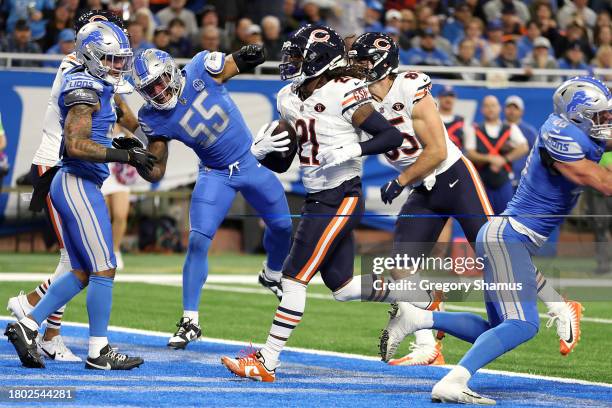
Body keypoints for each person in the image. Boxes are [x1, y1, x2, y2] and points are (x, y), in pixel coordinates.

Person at [385, 76, 611, 405]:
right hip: (510, 238)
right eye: (601, 116)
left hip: (504, 236)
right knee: (522, 325)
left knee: (495, 327)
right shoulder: (561, 136)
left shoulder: (575, 129)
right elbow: (603, 182)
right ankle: (453, 381)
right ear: (577, 115)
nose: (606, 122)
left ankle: (419, 319)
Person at [220, 25, 406, 382]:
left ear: (320, 58)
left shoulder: (345, 90)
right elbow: (286, 160)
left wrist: (353, 148)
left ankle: (267, 360)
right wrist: (261, 153)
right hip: (317, 195)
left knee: (293, 277)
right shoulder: (289, 96)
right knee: (343, 288)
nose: (290, 62)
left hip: (341, 195)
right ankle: (419, 296)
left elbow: (390, 135)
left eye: (297, 55)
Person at [4, 20, 150, 370]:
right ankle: (98, 351)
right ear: (92, 55)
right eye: (111, 59)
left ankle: (27, 323)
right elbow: (76, 144)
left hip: (78, 182)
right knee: (104, 268)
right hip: (76, 182)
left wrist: (122, 142)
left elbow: (100, 131)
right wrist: (125, 154)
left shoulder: (97, 82)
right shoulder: (82, 83)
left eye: (120, 59)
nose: (118, 66)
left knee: (82, 270)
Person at [132, 44, 293, 350]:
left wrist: (248, 55)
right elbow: (156, 171)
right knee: (197, 240)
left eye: (158, 81)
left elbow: (235, 62)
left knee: (284, 227)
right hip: (215, 174)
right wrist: (136, 159)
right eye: (148, 88)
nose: (157, 91)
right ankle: (190, 319)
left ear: (170, 71)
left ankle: (272, 274)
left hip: (252, 161)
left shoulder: (199, 68)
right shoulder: (153, 117)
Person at [464, 95, 529, 214]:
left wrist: (504, 159)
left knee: (504, 220)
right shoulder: (474, 129)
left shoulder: (510, 128)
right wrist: (490, 159)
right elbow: (470, 154)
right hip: (481, 183)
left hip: (503, 183)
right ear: (482, 110)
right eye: (487, 106)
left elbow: (524, 147)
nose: (490, 109)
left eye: (493, 106)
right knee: (482, 219)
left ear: (499, 108)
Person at [503, 95, 538, 184]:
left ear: (521, 112)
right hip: (501, 180)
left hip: (522, 181)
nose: (512, 111)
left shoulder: (529, 132)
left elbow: (537, 156)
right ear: (504, 110)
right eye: (509, 107)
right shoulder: (499, 129)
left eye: (515, 108)